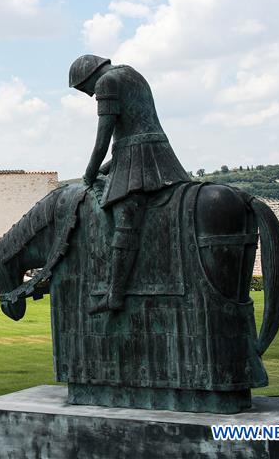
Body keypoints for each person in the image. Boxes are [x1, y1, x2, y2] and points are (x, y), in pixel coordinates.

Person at [68, 55, 190, 314]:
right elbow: (135, 134)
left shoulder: (106, 82)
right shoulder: (132, 73)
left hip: (139, 160)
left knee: (125, 221)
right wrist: (105, 169)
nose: (91, 94)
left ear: (89, 77)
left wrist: (89, 174)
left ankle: (115, 294)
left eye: (85, 89)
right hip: (156, 154)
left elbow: (103, 139)